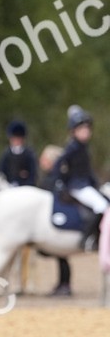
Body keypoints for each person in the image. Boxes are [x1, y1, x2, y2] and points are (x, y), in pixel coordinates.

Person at [56, 105, 109, 246]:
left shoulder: (84, 148)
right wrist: (60, 182)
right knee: (102, 206)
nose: (86, 132)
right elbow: (60, 166)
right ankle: (87, 238)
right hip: (77, 186)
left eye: (87, 129)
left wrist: (97, 183)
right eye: (82, 129)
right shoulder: (72, 148)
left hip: (85, 184)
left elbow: (87, 170)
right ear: (74, 131)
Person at [38, 144, 72, 296]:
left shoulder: (55, 179)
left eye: (44, 159)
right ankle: (63, 284)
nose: (41, 161)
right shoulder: (51, 178)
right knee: (60, 256)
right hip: (51, 223)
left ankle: (65, 285)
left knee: (61, 255)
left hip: (57, 222)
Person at [0, 121, 37, 186]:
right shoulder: (6, 154)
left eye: (18, 138)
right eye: (14, 139)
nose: (16, 141)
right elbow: (1, 172)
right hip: (8, 185)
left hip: (25, 186)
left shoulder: (29, 154)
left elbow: (33, 173)